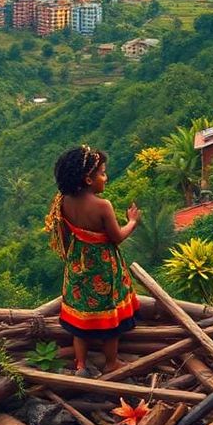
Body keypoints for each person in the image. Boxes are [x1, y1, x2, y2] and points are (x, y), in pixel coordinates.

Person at [45, 145, 140, 375]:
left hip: (78, 261)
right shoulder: (102, 206)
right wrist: (132, 222)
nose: (105, 178)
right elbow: (116, 238)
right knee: (109, 319)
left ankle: (80, 363)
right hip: (103, 266)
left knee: (80, 317)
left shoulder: (63, 201)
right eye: (102, 173)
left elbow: (66, 234)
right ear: (88, 179)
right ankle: (111, 363)